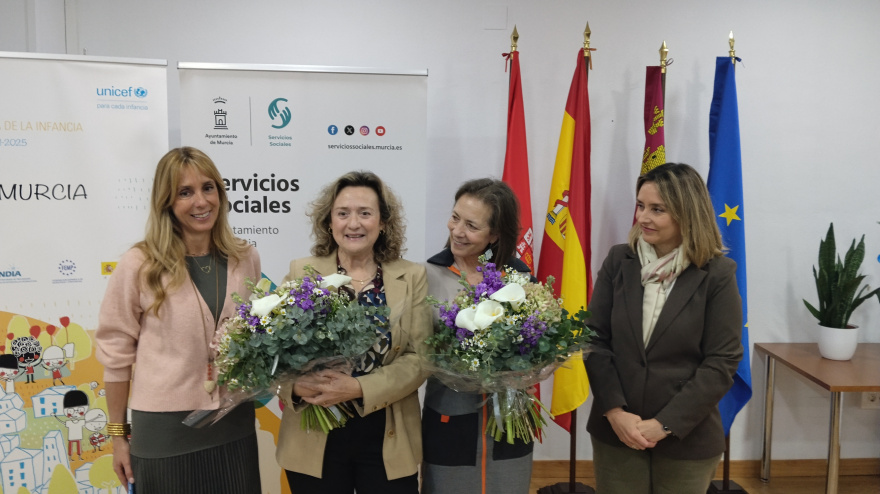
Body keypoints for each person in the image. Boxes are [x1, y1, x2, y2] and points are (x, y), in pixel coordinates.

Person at [96, 147, 262, 493]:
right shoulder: (140, 263)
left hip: (233, 425)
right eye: (185, 192)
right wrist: (117, 437)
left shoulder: (245, 257)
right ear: (166, 202)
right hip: (164, 434)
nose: (200, 201)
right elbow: (115, 355)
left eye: (208, 187)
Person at [585, 163, 743, 494]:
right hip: (618, 431)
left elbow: (722, 361)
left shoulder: (717, 274)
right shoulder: (618, 261)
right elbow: (596, 341)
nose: (643, 217)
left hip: (688, 436)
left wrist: (664, 425)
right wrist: (615, 411)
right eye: (641, 206)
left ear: (687, 213)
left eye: (658, 209)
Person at [275, 170, 431, 494]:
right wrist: (294, 385)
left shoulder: (412, 276)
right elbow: (275, 349)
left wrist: (357, 387)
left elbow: (419, 360)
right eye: (343, 213)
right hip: (313, 433)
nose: (353, 223)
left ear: (383, 222)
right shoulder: (301, 271)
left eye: (365, 213)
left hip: (387, 434)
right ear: (329, 222)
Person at [421, 178, 534, 494]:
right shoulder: (426, 275)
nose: (457, 231)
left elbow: (539, 341)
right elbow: (417, 350)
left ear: (495, 234)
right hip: (449, 418)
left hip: (511, 419)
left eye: (472, 225)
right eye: (456, 217)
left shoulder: (520, 278)